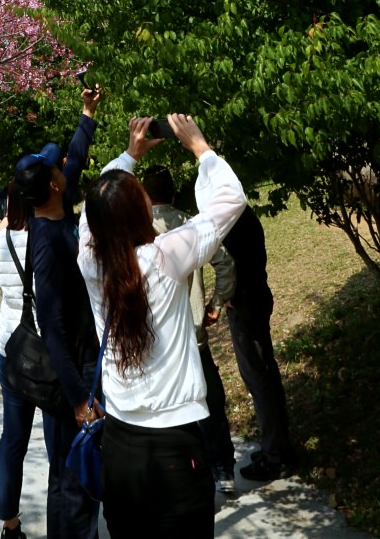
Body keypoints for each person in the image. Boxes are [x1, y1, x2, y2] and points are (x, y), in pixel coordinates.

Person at [79, 114, 247, 539]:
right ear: (143, 210)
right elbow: (231, 199)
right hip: (176, 448)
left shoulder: (89, 261)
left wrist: (128, 156)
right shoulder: (168, 255)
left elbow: (94, 210)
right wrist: (200, 149)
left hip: (119, 445)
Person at [14, 85, 101, 539]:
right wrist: (80, 399)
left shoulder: (55, 208)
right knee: (74, 479)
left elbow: (76, 159)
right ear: (51, 183)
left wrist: (87, 115)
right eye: (56, 166)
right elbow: (52, 329)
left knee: (67, 475)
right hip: (72, 375)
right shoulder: (47, 245)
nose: (64, 165)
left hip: (82, 366)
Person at [143, 163, 238, 501]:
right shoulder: (189, 225)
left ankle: (180, 480)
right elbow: (226, 263)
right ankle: (223, 470)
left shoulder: (138, 230)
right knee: (211, 402)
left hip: (158, 341)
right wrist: (215, 303)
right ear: (172, 192)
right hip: (194, 334)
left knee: (169, 415)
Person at [223, 203, 293, 481]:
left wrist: (227, 296)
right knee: (267, 375)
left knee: (259, 380)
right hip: (256, 299)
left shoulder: (235, 221)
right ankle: (279, 448)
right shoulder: (245, 215)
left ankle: (274, 456)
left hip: (246, 306)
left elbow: (234, 266)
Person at [0, 180, 35, 539]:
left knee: (13, 438)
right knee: (59, 438)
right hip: (43, 352)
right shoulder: (44, 238)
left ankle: (10, 522)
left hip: (8, 345)